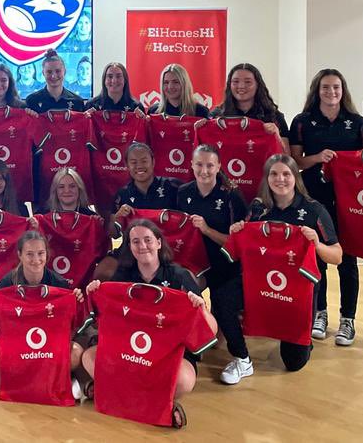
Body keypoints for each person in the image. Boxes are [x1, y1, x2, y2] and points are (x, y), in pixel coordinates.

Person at [217, 155, 343, 384]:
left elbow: (337, 256)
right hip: (259, 281)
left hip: (299, 288)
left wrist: (317, 244)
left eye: (286, 174)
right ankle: (242, 358)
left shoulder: (314, 210)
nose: (280, 179)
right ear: (267, 178)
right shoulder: (257, 208)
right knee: (223, 298)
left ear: (295, 177)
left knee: (294, 363)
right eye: (274, 174)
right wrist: (238, 230)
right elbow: (240, 242)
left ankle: (300, 338)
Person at [83, 219, 216, 428]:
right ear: (129, 246)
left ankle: (114, 391)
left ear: (159, 243)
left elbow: (210, 329)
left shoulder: (179, 276)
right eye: (135, 241)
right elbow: (105, 317)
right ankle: (155, 402)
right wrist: (95, 293)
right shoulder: (123, 275)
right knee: (89, 357)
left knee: (184, 381)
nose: (142, 246)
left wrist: (199, 308)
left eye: (147, 240)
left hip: (167, 353)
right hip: (129, 348)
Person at [289, 69, 363, 345]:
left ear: (343, 90)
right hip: (314, 200)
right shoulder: (302, 121)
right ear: (317, 90)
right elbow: (295, 161)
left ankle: (348, 319)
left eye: (336, 87)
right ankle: (320, 313)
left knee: (347, 262)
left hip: (349, 204)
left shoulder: (357, 123)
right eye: (325, 87)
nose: (331, 92)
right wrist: (317, 157)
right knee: (318, 259)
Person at [0, 231, 84, 389]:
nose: (36, 260)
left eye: (41, 253)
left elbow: (71, 329)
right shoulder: (7, 282)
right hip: (16, 343)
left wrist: (76, 301)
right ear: (19, 255)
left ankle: (12, 377)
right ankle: (49, 378)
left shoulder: (60, 284)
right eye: (29, 254)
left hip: (48, 345)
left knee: (77, 352)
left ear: (47, 255)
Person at [94, 143, 183, 280]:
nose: (139, 166)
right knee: (102, 271)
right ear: (127, 165)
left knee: (191, 278)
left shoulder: (174, 187)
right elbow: (114, 234)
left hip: (165, 248)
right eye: (133, 162)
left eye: (144, 161)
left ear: (153, 162)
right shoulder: (122, 194)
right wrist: (117, 218)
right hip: (130, 250)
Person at [176, 144, 247, 305]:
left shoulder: (232, 195)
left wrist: (207, 230)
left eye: (210, 165)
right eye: (199, 164)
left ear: (219, 166)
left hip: (225, 263)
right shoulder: (183, 192)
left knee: (221, 312)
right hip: (196, 262)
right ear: (191, 164)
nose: (204, 171)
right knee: (184, 290)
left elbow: (238, 245)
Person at [212, 63, 288, 148]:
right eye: (236, 82)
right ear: (230, 85)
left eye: (248, 82)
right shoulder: (216, 115)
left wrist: (277, 136)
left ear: (257, 85)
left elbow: (287, 158)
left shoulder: (274, 117)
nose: (241, 86)